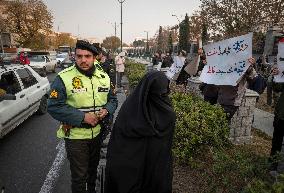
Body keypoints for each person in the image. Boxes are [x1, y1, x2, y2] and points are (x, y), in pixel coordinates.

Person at [47, 40, 118, 193]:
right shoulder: (63, 78)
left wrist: (106, 110)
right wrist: (82, 117)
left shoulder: (104, 77)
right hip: (75, 137)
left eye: (87, 56)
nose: (83, 60)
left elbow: (113, 100)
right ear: (74, 56)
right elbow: (53, 106)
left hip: (97, 134)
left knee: (93, 173)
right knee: (79, 178)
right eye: (79, 56)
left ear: (94, 57)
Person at [105, 71, 176, 193]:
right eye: (162, 92)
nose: (164, 95)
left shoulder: (132, 109)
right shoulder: (133, 110)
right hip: (132, 169)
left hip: (153, 167)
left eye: (165, 93)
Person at [269, 66, 284, 172]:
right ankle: (272, 166)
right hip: (281, 114)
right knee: (276, 143)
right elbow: (278, 88)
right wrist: (277, 76)